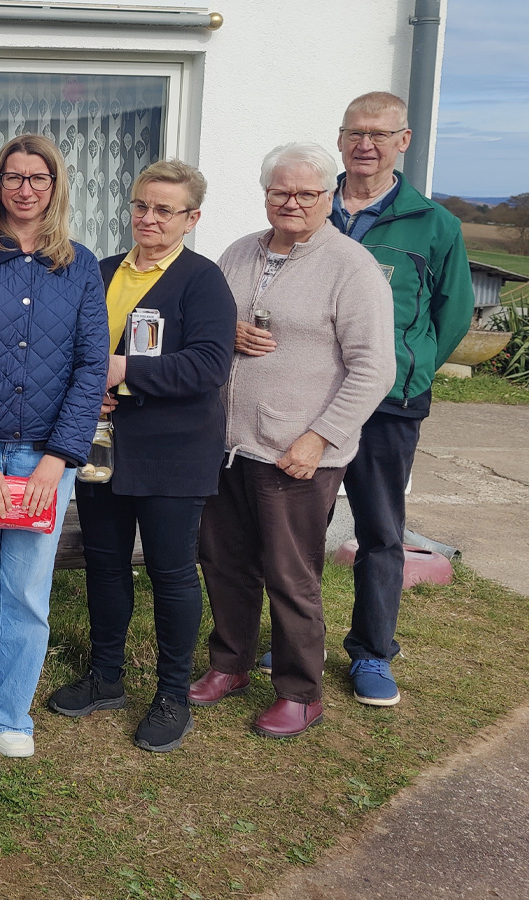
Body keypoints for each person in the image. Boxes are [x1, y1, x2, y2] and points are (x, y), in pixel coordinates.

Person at [191, 142, 394, 739]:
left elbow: (373, 368)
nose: (293, 203)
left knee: (291, 574)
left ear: (330, 197)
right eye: (281, 191)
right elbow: (206, 325)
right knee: (224, 564)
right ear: (265, 194)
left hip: (295, 452)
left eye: (308, 193)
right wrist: (224, 329)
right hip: (228, 443)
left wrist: (320, 438)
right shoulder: (238, 252)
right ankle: (230, 663)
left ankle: (301, 692)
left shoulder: (350, 266)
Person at [43, 159, 236, 753]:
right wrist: (87, 388)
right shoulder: (98, 271)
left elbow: (209, 365)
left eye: (165, 210)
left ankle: (172, 694)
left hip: (173, 453)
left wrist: (125, 371)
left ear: (192, 218)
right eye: (141, 207)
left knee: (171, 573)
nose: (149, 219)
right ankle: (106, 677)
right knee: (104, 564)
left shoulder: (202, 281)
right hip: (100, 447)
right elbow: (70, 349)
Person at [0, 133, 107, 759]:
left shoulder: (80, 265)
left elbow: (91, 367)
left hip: (44, 457)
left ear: (55, 187)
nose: (25, 188)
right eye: (13, 177)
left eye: (38, 178)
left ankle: (15, 713)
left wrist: (58, 458)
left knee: (28, 591)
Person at [322, 91, 474, 706]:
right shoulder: (310, 209)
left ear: (402, 141)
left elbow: (453, 313)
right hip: (307, 398)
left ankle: (372, 653)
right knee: (298, 529)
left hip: (387, 406)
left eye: (380, 134)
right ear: (339, 139)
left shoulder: (435, 225)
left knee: (380, 531)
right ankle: (295, 641)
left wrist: (402, 371)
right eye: (355, 132)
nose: (366, 144)